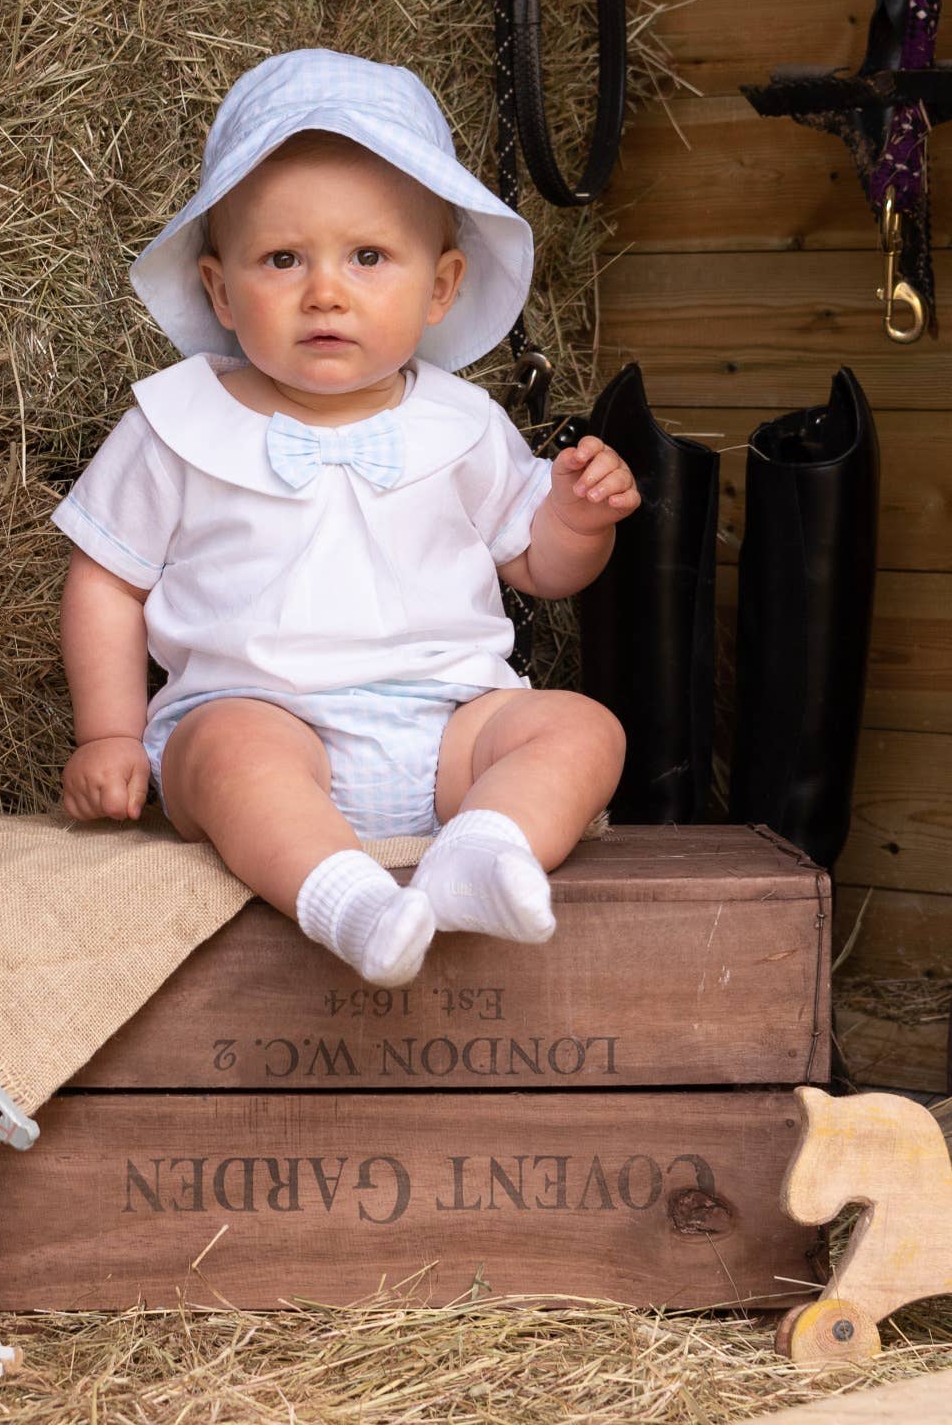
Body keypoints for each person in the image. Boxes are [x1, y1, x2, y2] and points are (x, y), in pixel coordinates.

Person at [51, 49, 639, 988]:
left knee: (581, 730)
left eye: (368, 257)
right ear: (218, 290)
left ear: (440, 285)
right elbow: (108, 580)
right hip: (259, 715)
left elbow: (538, 564)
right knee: (229, 759)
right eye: (282, 259)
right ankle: (345, 898)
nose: (325, 290)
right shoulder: (176, 422)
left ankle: (481, 849)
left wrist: (578, 514)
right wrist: (111, 733)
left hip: (448, 725)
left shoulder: (462, 421)